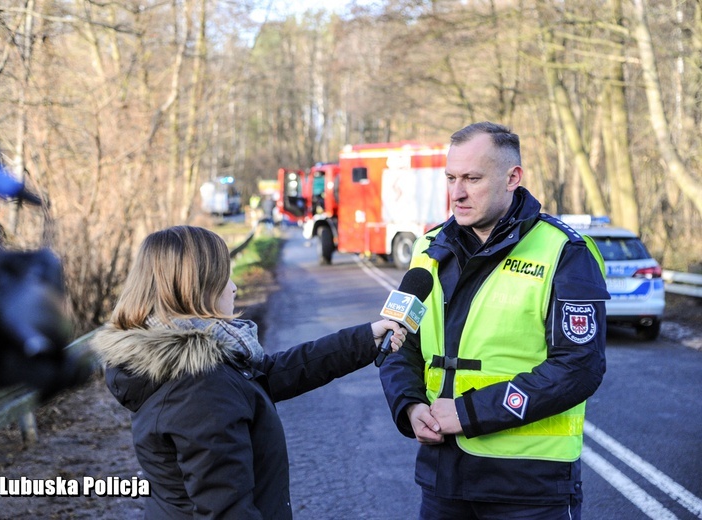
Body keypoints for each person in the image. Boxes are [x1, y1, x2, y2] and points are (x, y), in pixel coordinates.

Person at [91, 225, 407, 519]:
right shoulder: (199, 387)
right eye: (224, 277)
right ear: (195, 289)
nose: (234, 286)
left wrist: (365, 339)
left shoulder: (186, 364)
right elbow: (229, 511)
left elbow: (269, 374)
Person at [379, 122, 610, 519]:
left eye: (472, 178)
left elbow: (579, 367)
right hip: (442, 479)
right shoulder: (428, 249)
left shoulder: (564, 251)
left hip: (529, 487)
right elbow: (400, 343)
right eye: (451, 178)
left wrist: (470, 412)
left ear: (512, 178)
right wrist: (409, 406)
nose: (458, 192)